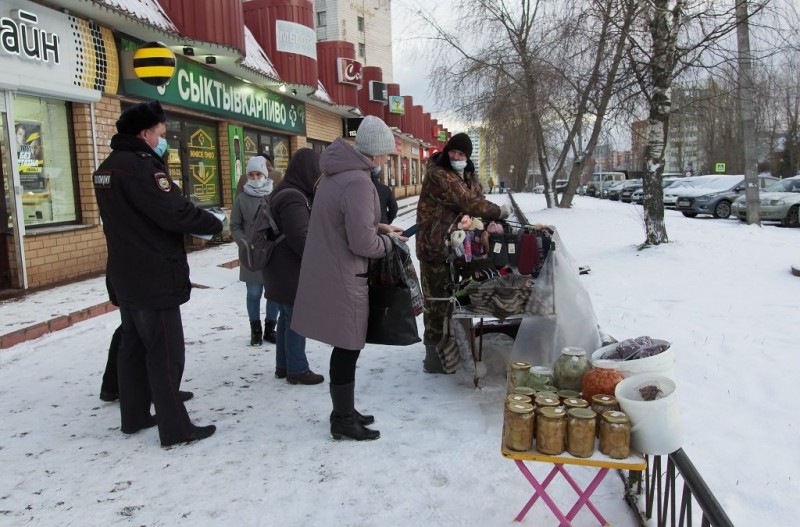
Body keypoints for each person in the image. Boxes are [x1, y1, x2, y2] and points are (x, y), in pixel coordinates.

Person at [93, 100, 221, 447]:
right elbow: (173, 211)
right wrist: (214, 224)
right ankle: (176, 428)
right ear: (144, 133)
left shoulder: (107, 167)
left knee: (133, 346)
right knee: (166, 353)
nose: (163, 140)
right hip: (153, 273)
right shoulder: (141, 167)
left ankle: (134, 415)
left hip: (125, 273)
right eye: (160, 134)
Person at [292, 116, 405, 441]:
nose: (387, 159)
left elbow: (346, 223)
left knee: (346, 346)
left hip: (333, 271)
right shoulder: (358, 182)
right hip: (346, 276)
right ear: (376, 151)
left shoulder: (336, 175)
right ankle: (342, 418)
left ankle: (346, 411)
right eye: (386, 153)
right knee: (348, 347)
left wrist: (380, 227)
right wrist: (390, 242)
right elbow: (362, 244)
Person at [415, 133, 512, 374]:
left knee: (455, 300)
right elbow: (468, 202)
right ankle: (434, 357)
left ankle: (453, 348)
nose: (456, 157)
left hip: (457, 245)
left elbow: (476, 199)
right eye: (453, 152)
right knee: (437, 301)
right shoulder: (439, 174)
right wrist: (498, 211)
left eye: (461, 154)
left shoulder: (467, 175)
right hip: (434, 246)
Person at [263, 149, 324, 385]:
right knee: (297, 318)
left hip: (280, 267)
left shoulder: (286, 190)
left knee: (287, 318)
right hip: (289, 269)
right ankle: (297, 368)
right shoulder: (293, 197)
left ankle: (283, 365)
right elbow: (302, 239)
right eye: (317, 173)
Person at [230, 156, 280, 346]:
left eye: (258, 173)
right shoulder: (241, 199)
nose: (255, 177)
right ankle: (255, 330)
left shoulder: (274, 196)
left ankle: (270, 328)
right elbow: (234, 225)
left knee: (274, 293)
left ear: (265, 175)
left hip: (271, 253)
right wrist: (244, 242)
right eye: (251, 174)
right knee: (253, 293)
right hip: (250, 254)